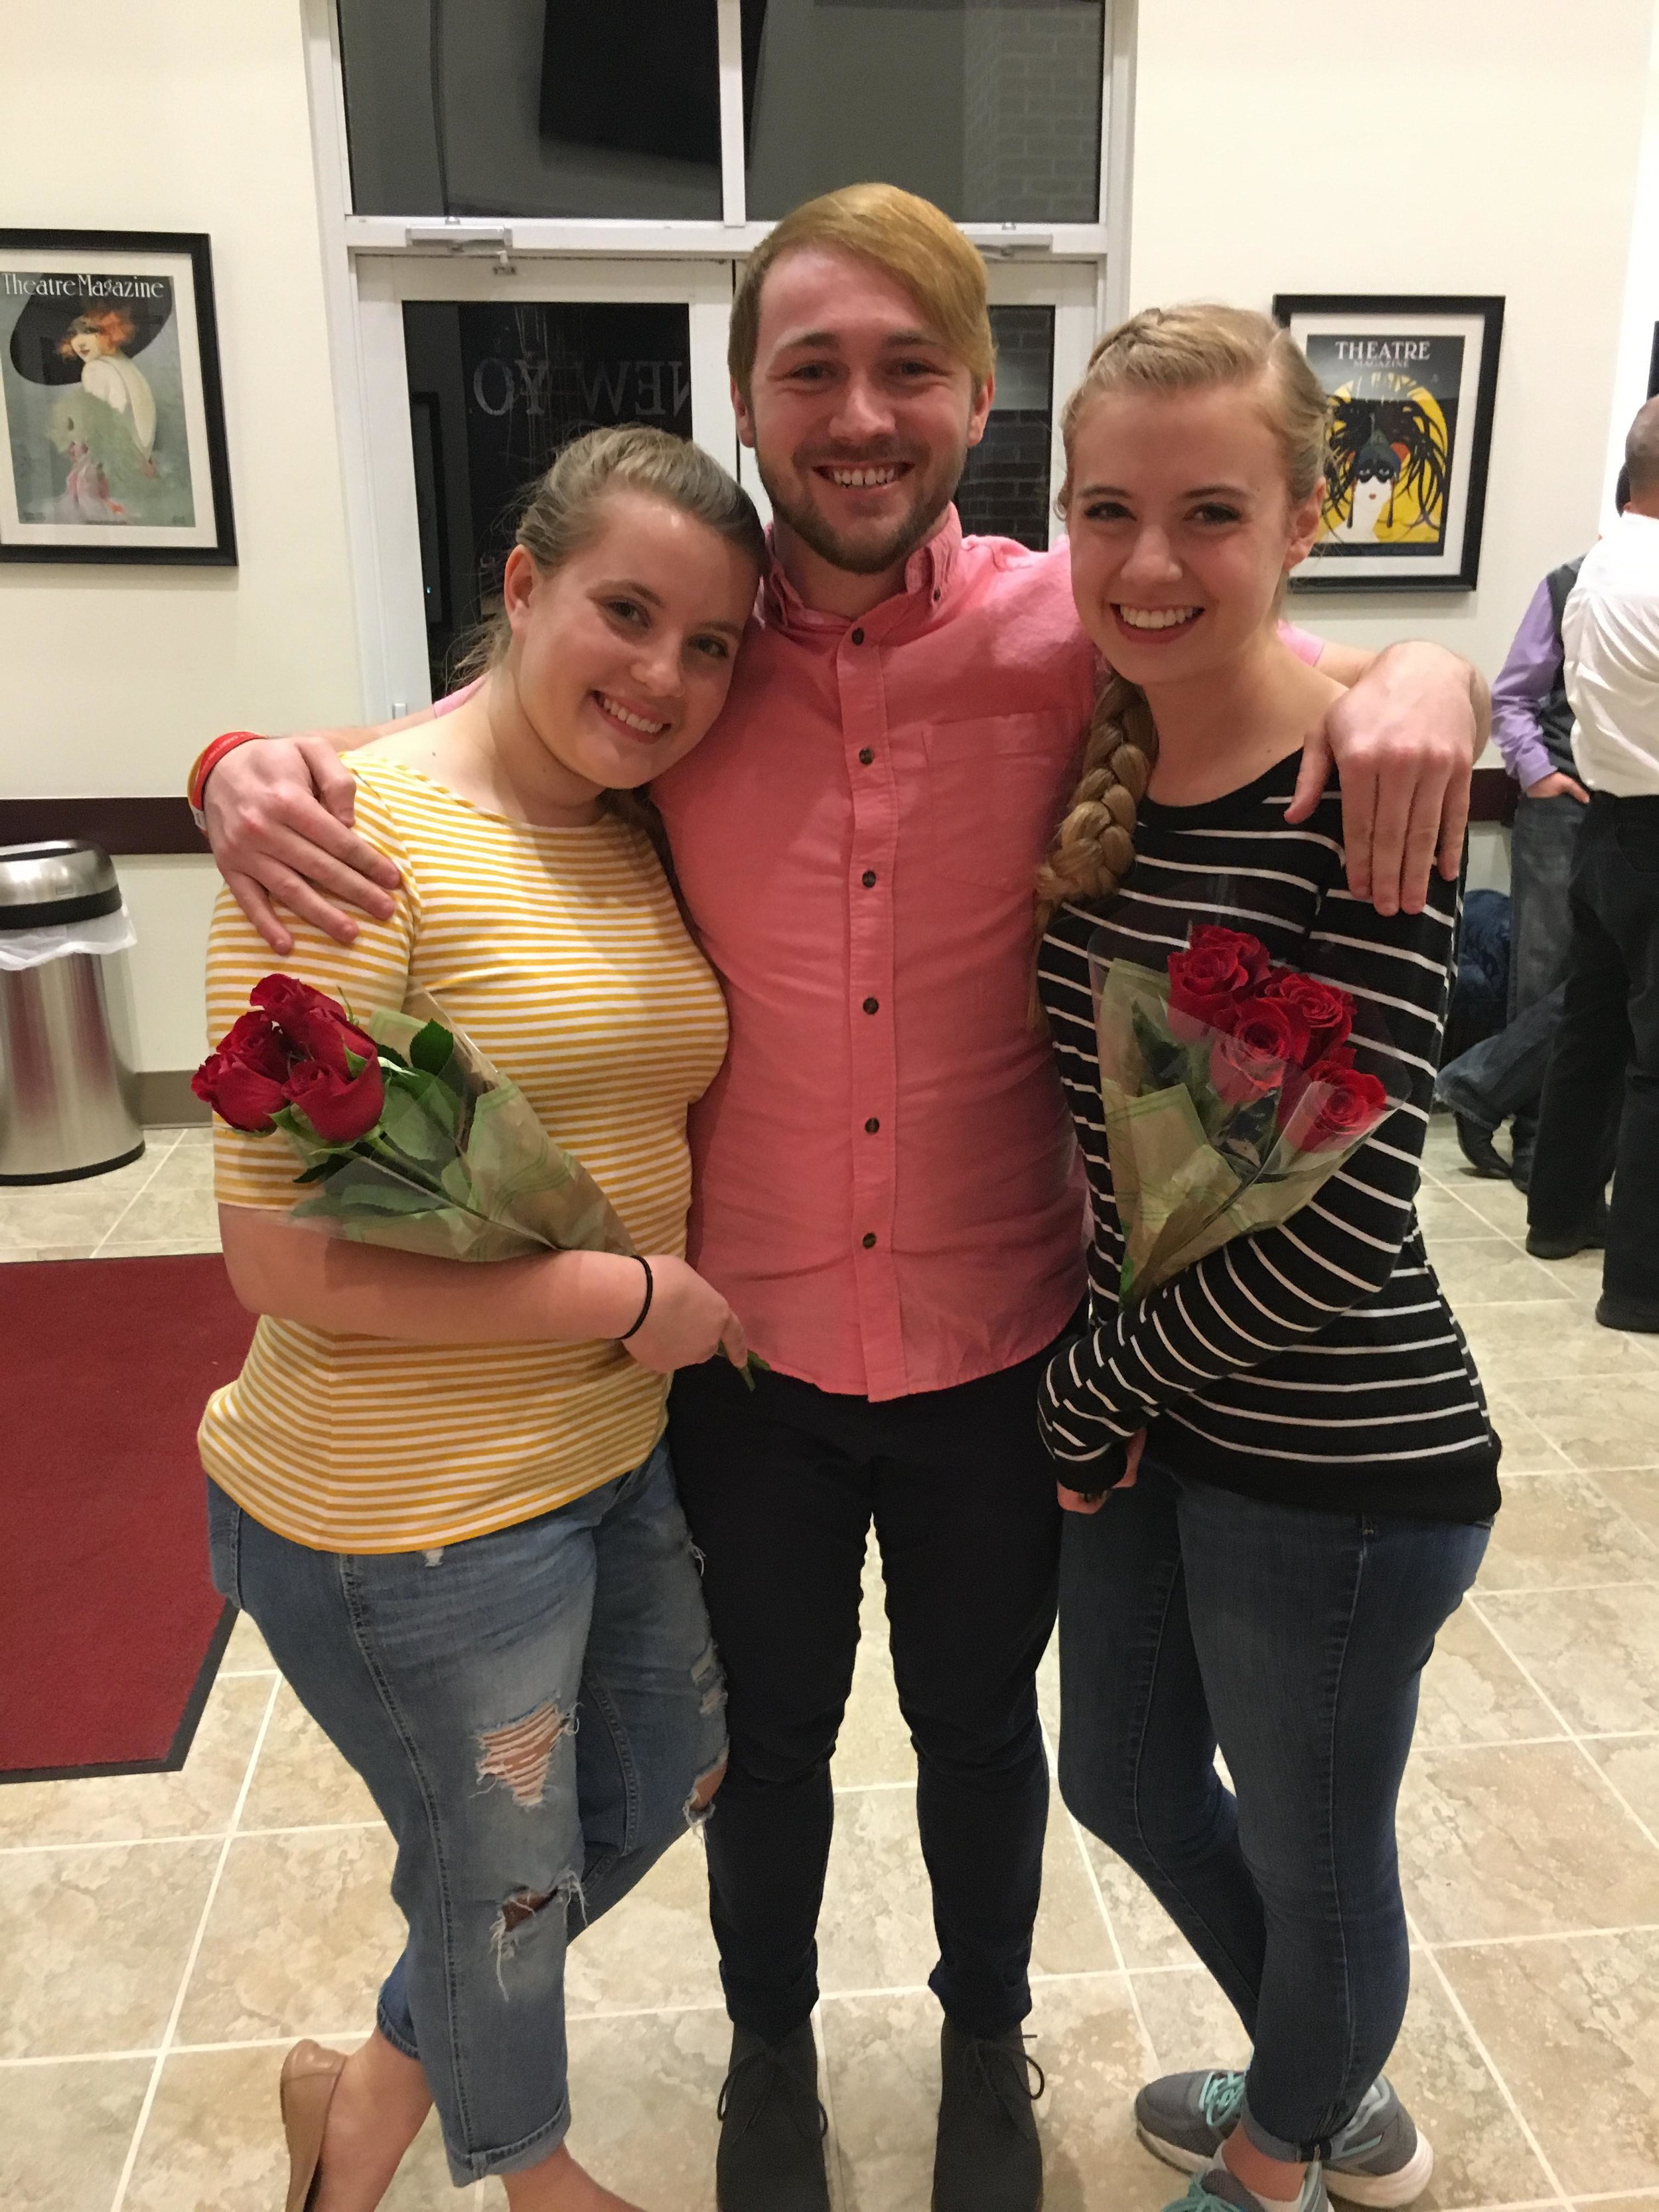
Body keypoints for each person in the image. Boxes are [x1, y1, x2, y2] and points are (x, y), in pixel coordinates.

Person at [192, 187, 1487, 2212]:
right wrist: (235, 765)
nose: (859, 412)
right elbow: (448, 761)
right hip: (742, 1344)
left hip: (1005, 1340)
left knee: (980, 1735)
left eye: (907, 368)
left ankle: (988, 2042)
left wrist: (1422, 669)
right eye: (811, 368)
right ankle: (767, 2060)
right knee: (758, 1745)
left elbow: (1264, 650)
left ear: (979, 398)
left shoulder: (1079, 628)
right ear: (750, 398)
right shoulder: (676, 669)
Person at [197, 426, 765, 2212]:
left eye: (711, 641)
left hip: (599, 1453)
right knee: (503, 1868)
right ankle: (530, 2176)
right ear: (518, 588)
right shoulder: (347, 839)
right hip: (407, 1513)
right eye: (623, 610)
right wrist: (632, 1293)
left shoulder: (625, 833)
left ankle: (357, 2102)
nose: (663, 676)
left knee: (662, 1773)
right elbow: (275, 1256)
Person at [1033, 305, 1500, 2212]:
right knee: (1124, 1778)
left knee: (1316, 1851)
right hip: (1158, 1414)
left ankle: (1281, 2147)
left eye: (1208, 510)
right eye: (1105, 509)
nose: (1148, 562)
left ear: (1308, 514)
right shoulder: (1111, 757)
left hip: (1335, 1454)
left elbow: (1344, 1217)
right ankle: (1325, 2072)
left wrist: (1086, 1384)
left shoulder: (1361, 795)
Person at [1434, 473, 1634, 1185]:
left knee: (1607, 977)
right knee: (1547, 972)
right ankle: (1529, 1144)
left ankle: (1490, 1094)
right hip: (1564, 803)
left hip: (1635, 809)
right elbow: (1513, 695)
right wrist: (1537, 773)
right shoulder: (1570, 583)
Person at [1526, 400, 1659, 1330]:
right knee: (1655, 1064)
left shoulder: (1597, 567)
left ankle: (1557, 1215)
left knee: (1592, 1031)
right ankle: (1642, 1286)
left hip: (1607, 825)